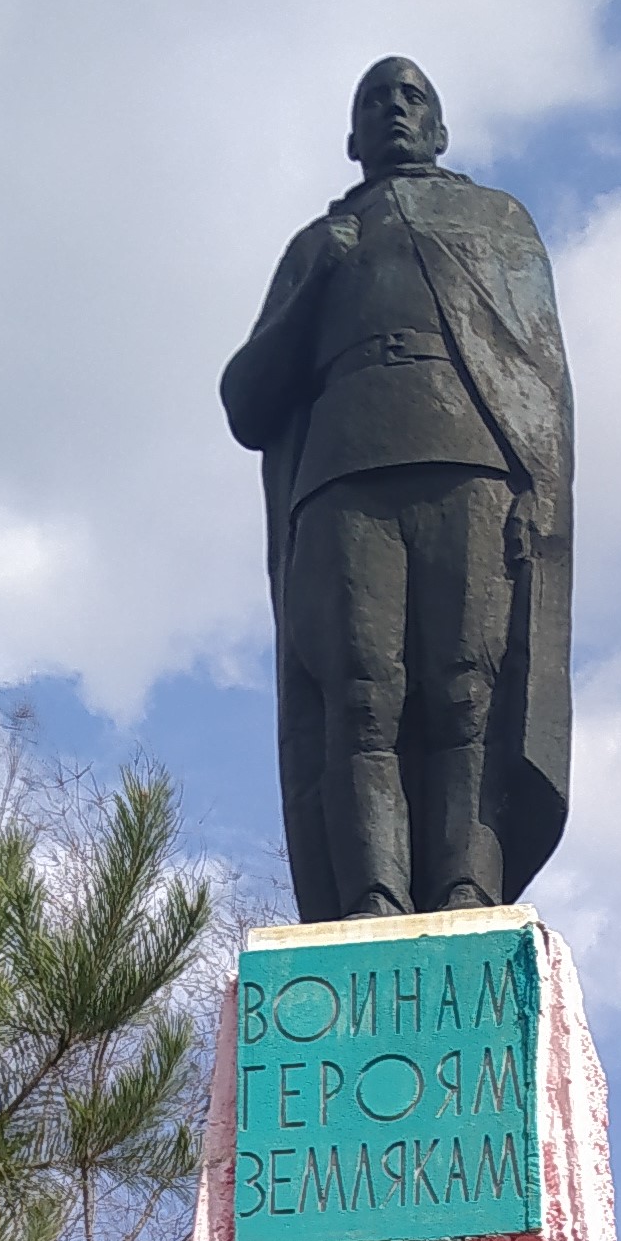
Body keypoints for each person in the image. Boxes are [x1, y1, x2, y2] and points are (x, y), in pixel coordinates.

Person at [222, 58, 573, 925]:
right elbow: (246, 402)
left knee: (466, 689)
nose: (393, 111)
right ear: (352, 137)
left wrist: (543, 494)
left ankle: (466, 886)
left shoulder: (495, 219)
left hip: (472, 465)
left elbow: (540, 373)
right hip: (341, 478)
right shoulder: (317, 245)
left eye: (411, 98)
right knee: (363, 694)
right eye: (375, 101)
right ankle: (371, 895)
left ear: (441, 128)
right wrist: (316, 285)